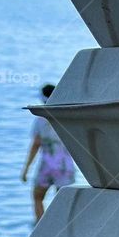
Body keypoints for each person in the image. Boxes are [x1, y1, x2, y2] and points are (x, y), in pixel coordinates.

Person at [21, 83, 75, 222]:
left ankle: (40, 227)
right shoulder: (67, 117)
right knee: (62, 200)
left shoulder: (40, 120)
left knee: (38, 197)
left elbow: (36, 145)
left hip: (47, 165)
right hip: (65, 165)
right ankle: (61, 227)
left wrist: (26, 169)